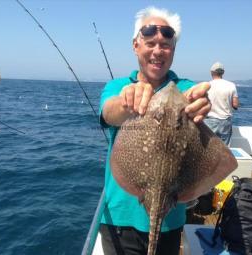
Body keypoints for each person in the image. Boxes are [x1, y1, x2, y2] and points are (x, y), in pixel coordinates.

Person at [98, 6, 211, 255]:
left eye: (166, 45)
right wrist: (127, 102)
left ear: (173, 50)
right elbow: (109, 112)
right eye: (150, 43)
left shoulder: (184, 88)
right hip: (120, 217)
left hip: (170, 218)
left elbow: (198, 100)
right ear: (135, 45)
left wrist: (202, 103)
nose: (158, 51)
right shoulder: (118, 87)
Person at [203, 62, 239, 145]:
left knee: (208, 147)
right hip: (225, 122)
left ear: (211, 72)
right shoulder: (231, 85)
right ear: (223, 73)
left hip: (209, 120)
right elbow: (235, 105)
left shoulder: (207, 85)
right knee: (225, 149)